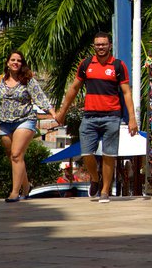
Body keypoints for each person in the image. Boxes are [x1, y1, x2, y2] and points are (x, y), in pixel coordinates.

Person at [55, 32, 138, 203]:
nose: (101, 47)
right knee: (86, 153)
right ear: (94, 46)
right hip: (89, 116)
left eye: (104, 44)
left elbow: (126, 93)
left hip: (112, 116)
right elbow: (73, 89)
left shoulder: (118, 65)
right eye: (97, 44)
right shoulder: (86, 64)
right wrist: (62, 111)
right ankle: (94, 178)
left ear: (110, 45)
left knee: (109, 155)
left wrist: (132, 118)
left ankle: (105, 190)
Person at [0, 50, 59, 202]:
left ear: (22, 63)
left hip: (25, 120)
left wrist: (53, 113)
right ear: (7, 62)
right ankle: (26, 187)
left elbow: (40, 97)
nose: (15, 62)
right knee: (13, 158)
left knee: (16, 155)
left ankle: (14, 192)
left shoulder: (28, 80)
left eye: (19, 60)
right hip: (4, 123)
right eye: (13, 60)